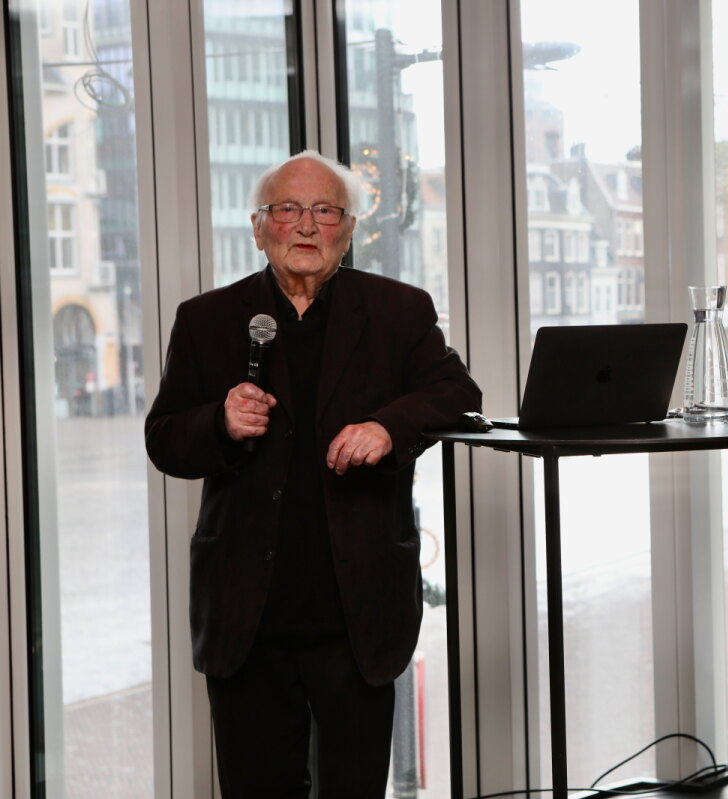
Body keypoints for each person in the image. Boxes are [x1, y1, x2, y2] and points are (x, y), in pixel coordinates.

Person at [145, 150, 481, 797]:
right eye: (288, 209)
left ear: (348, 228)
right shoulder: (207, 319)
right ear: (258, 225)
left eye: (325, 210)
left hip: (357, 617)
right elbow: (163, 440)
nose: (305, 226)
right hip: (247, 615)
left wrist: (387, 426)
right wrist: (218, 421)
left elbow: (456, 391)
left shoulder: (398, 310)